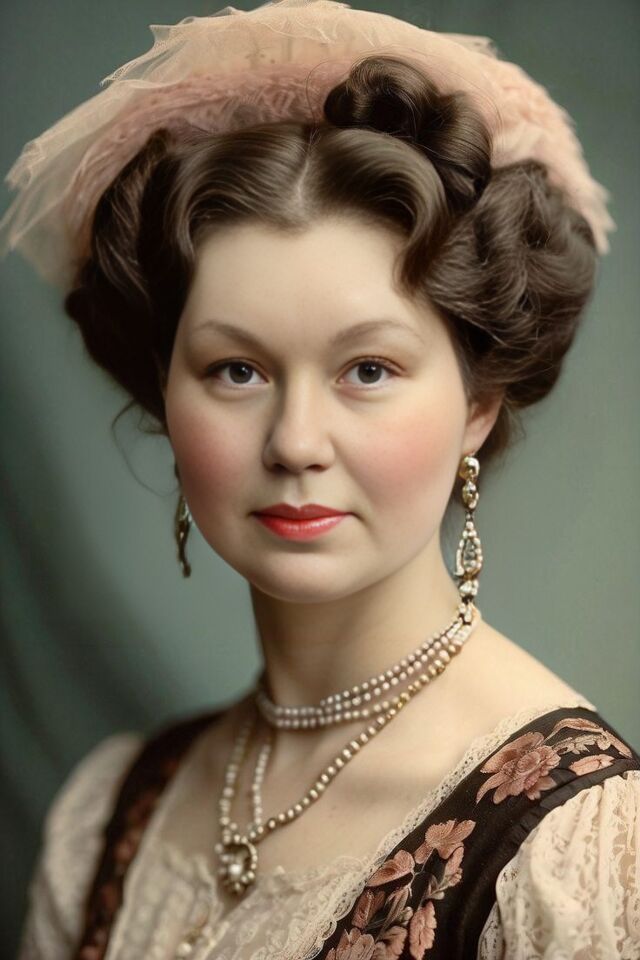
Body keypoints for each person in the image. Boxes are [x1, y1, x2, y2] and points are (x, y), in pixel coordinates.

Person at [2, 2, 638, 958]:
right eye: (237, 370)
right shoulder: (112, 813)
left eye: (367, 370)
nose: (296, 442)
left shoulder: (575, 844)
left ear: (478, 401)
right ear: (165, 390)